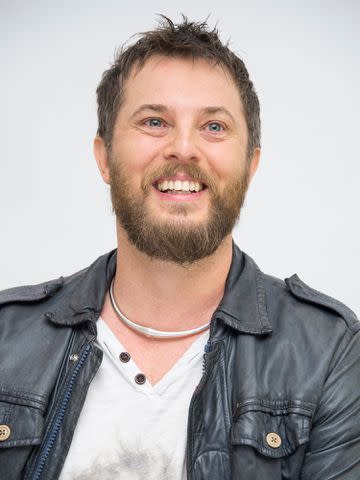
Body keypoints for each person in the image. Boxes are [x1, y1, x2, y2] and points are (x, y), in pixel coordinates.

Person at [0, 15, 359, 480]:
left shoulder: (329, 354)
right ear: (104, 157)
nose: (184, 148)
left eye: (213, 126)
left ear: (250, 166)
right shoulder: (7, 340)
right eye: (154, 121)